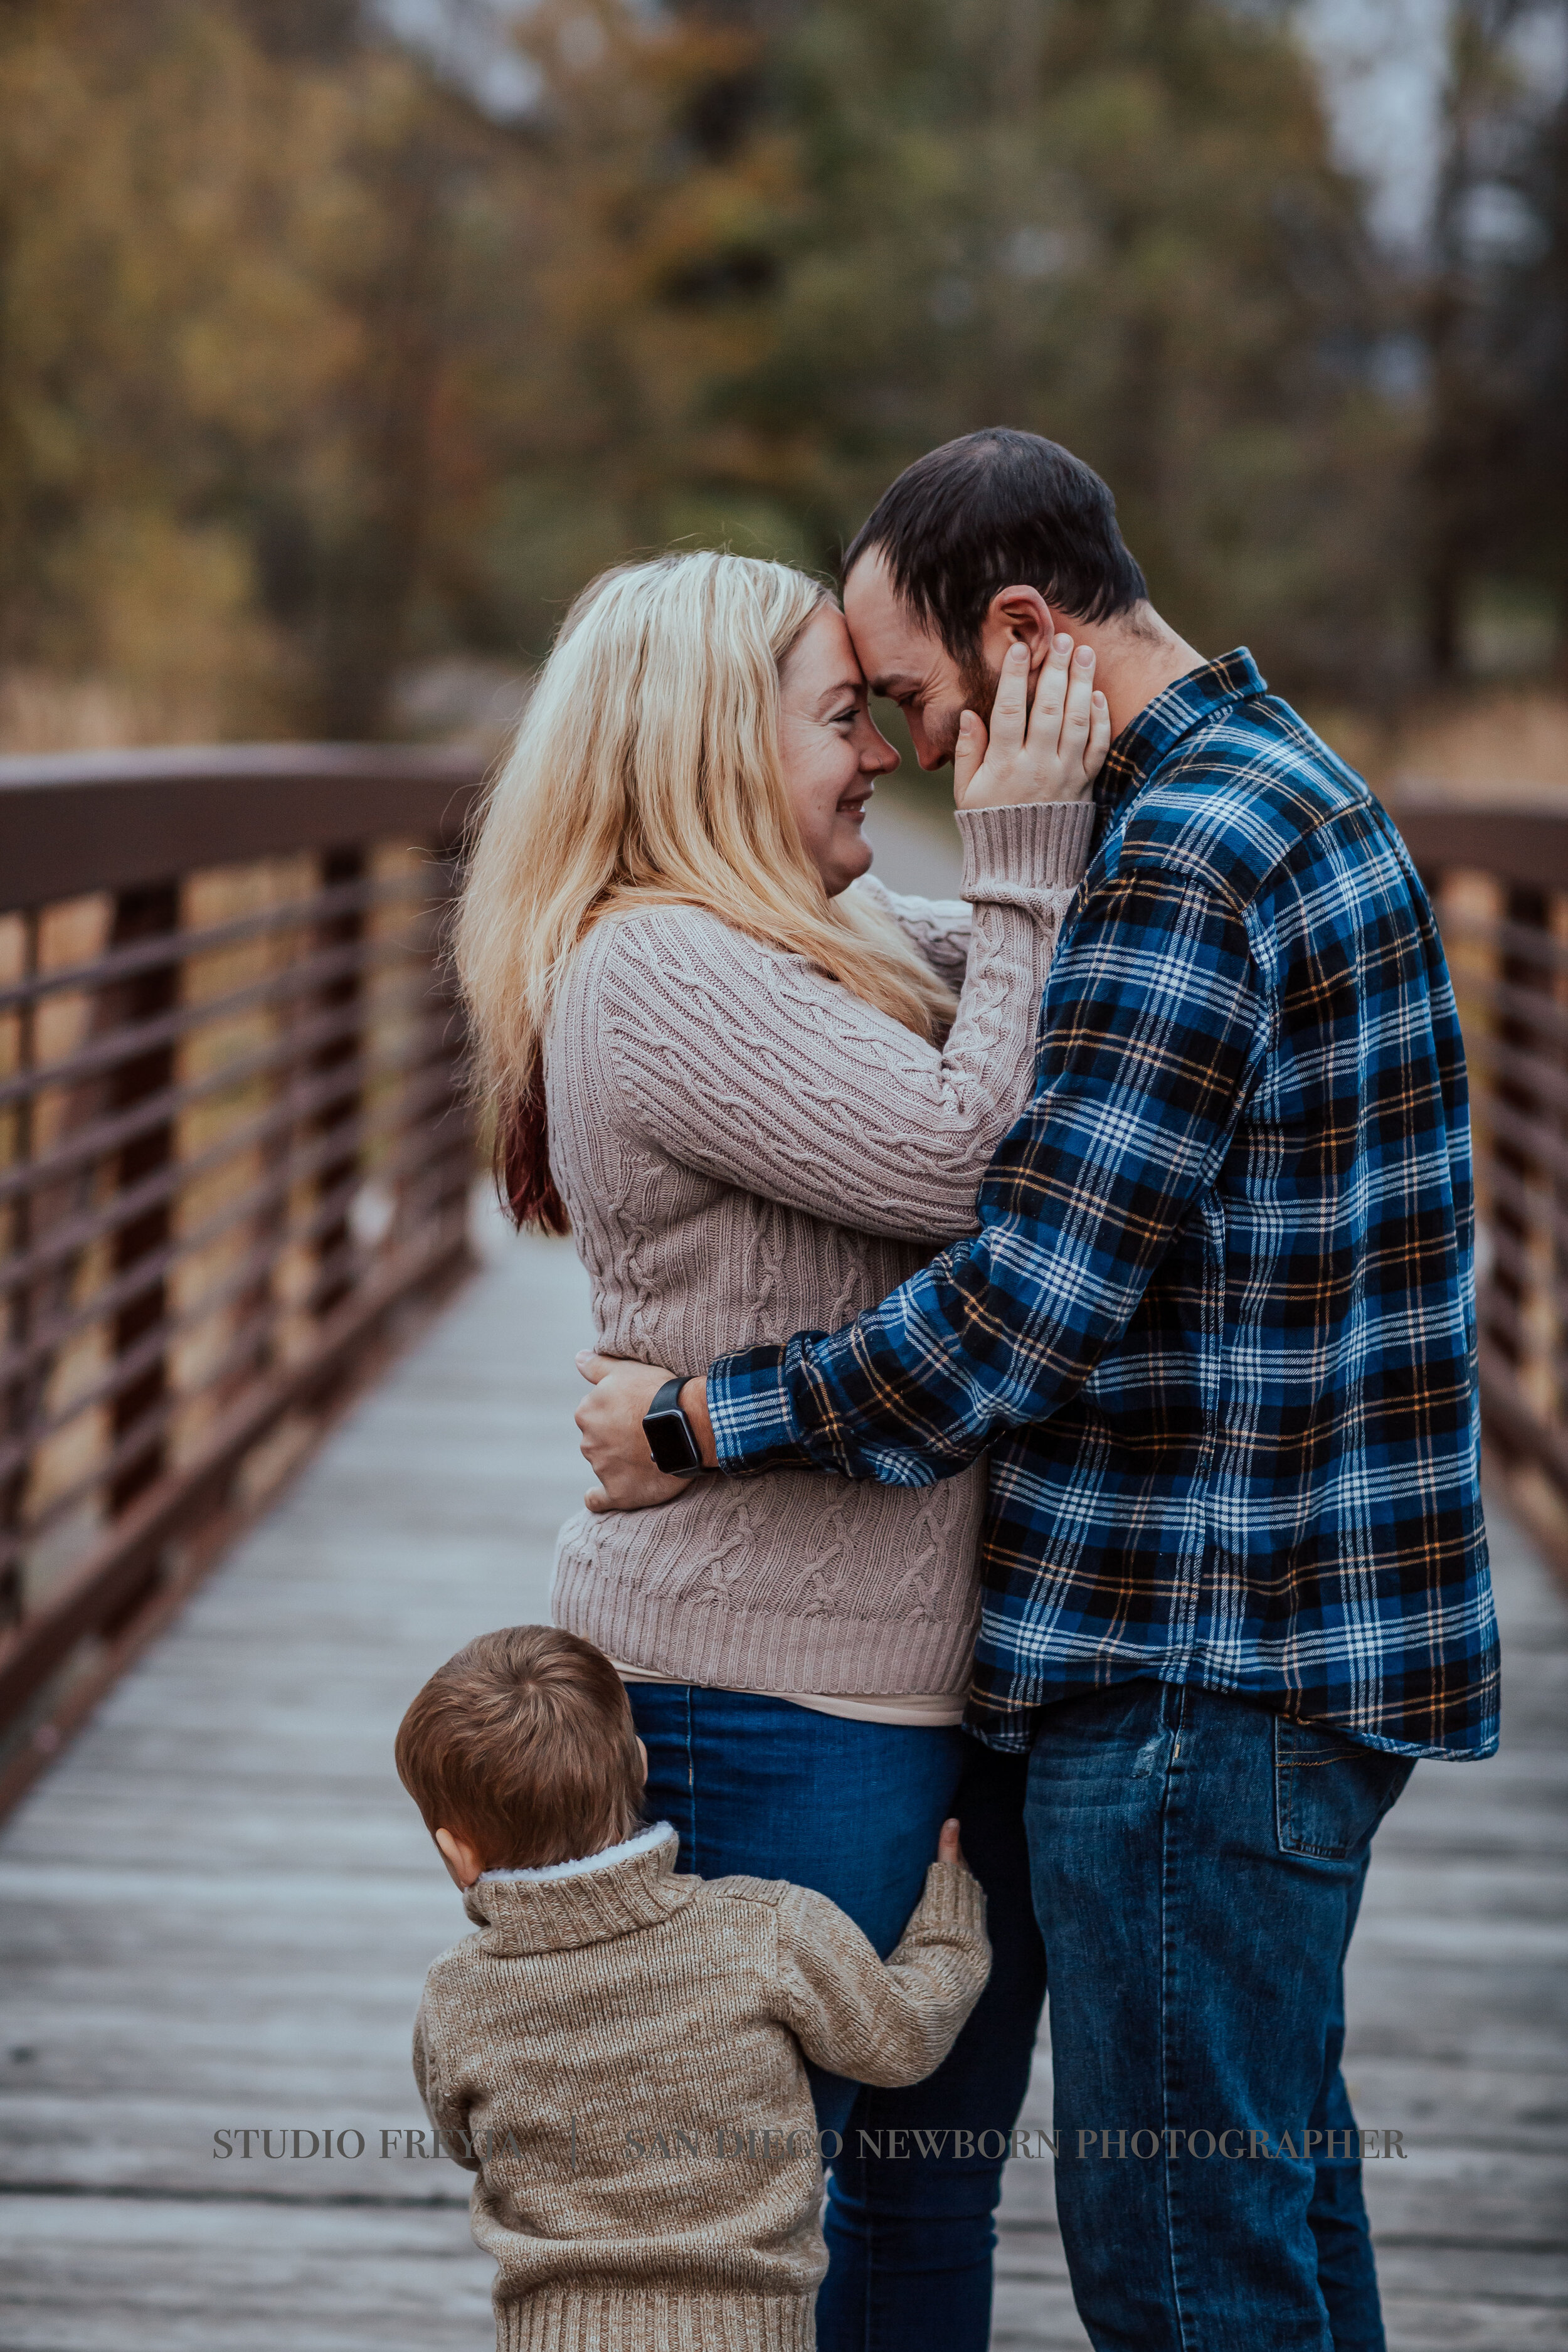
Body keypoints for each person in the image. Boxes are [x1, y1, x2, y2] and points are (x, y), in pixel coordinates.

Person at [574, 430, 1503, 2352]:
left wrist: (697, 1418)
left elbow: (1019, 1306)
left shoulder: (1183, 849)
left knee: (1178, 2257)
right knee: (1272, 2194)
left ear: (1020, 629)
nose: (907, 748)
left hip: (1197, 1658)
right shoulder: (1274, 789)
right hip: (1284, 1644)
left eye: (905, 694)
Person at [453, 546, 1108, 2348]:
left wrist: (1066, 822)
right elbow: (975, 1159)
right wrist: (1028, 847)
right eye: (842, 717)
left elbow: (1042, 1000)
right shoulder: (658, 965)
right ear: (705, 747)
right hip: (759, 1699)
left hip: (885, 1691)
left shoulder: (808, 944)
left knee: (918, 2196)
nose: (879, 755)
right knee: (757, 2224)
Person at [395, 1625, 991, 2352]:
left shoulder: (458, 1993)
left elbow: (465, 2142)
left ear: (455, 1852)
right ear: (641, 1764)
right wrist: (949, 1926)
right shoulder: (765, 1929)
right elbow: (902, 2039)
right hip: (748, 2332)